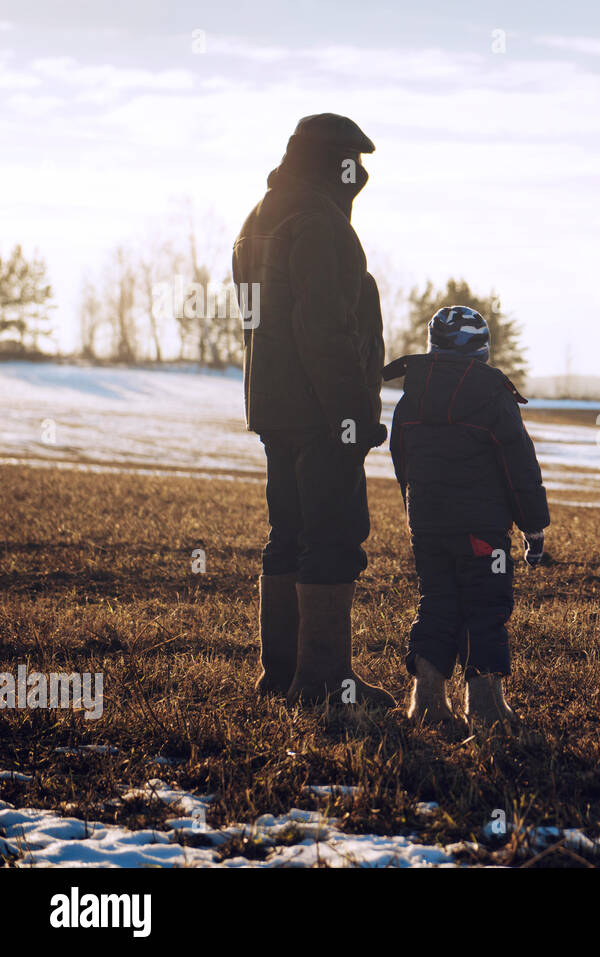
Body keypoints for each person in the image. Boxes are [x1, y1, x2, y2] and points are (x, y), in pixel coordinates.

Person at [233, 113, 394, 708]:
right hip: (323, 412)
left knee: (289, 534)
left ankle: (281, 676)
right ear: (337, 165)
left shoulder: (259, 217)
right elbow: (324, 329)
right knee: (333, 537)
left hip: (274, 407)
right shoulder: (321, 223)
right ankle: (325, 682)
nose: (362, 178)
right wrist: (352, 414)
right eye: (356, 165)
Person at [385, 306, 550, 730]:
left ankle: (426, 700)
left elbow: (402, 460)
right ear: (483, 350)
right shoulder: (493, 396)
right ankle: (485, 705)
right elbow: (519, 466)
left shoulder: (413, 394)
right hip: (482, 531)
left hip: (428, 526)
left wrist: (415, 508)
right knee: (485, 605)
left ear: (432, 346)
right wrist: (533, 525)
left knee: (436, 602)